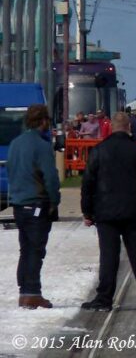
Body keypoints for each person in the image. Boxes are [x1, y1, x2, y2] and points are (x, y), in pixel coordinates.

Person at [80, 112, 136, 312]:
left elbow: (88, 184)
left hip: (105, 213)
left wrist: (88, 212)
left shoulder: (98, 151)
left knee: (109, 257)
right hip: (133, 211)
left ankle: (104, 298)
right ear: (129, 128)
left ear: (111, 128)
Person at [7, 105, 60, 309]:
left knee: (26, 248)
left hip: (19, 204)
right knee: (36, 250)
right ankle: (32, 293)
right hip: (36, 203)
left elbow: (11, 169)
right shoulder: (41, 145)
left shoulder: (15, 143)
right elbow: (51, 178)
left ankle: (24, 291)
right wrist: (54, 201)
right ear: (43, 121)